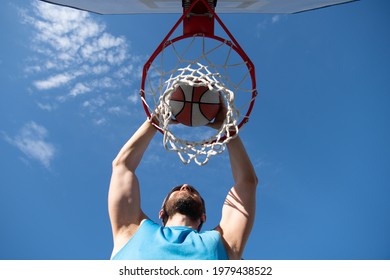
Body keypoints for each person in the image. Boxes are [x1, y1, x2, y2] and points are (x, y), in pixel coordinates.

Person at [108, 106, 258, 260]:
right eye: (178, 189)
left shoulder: (224, 241)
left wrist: (227, 129)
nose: (185, 186)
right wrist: (155, 120)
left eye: (192, 191)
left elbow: (247, 182)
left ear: (203, 217)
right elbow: (121, 166)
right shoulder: (132, 231)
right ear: (161, 212)